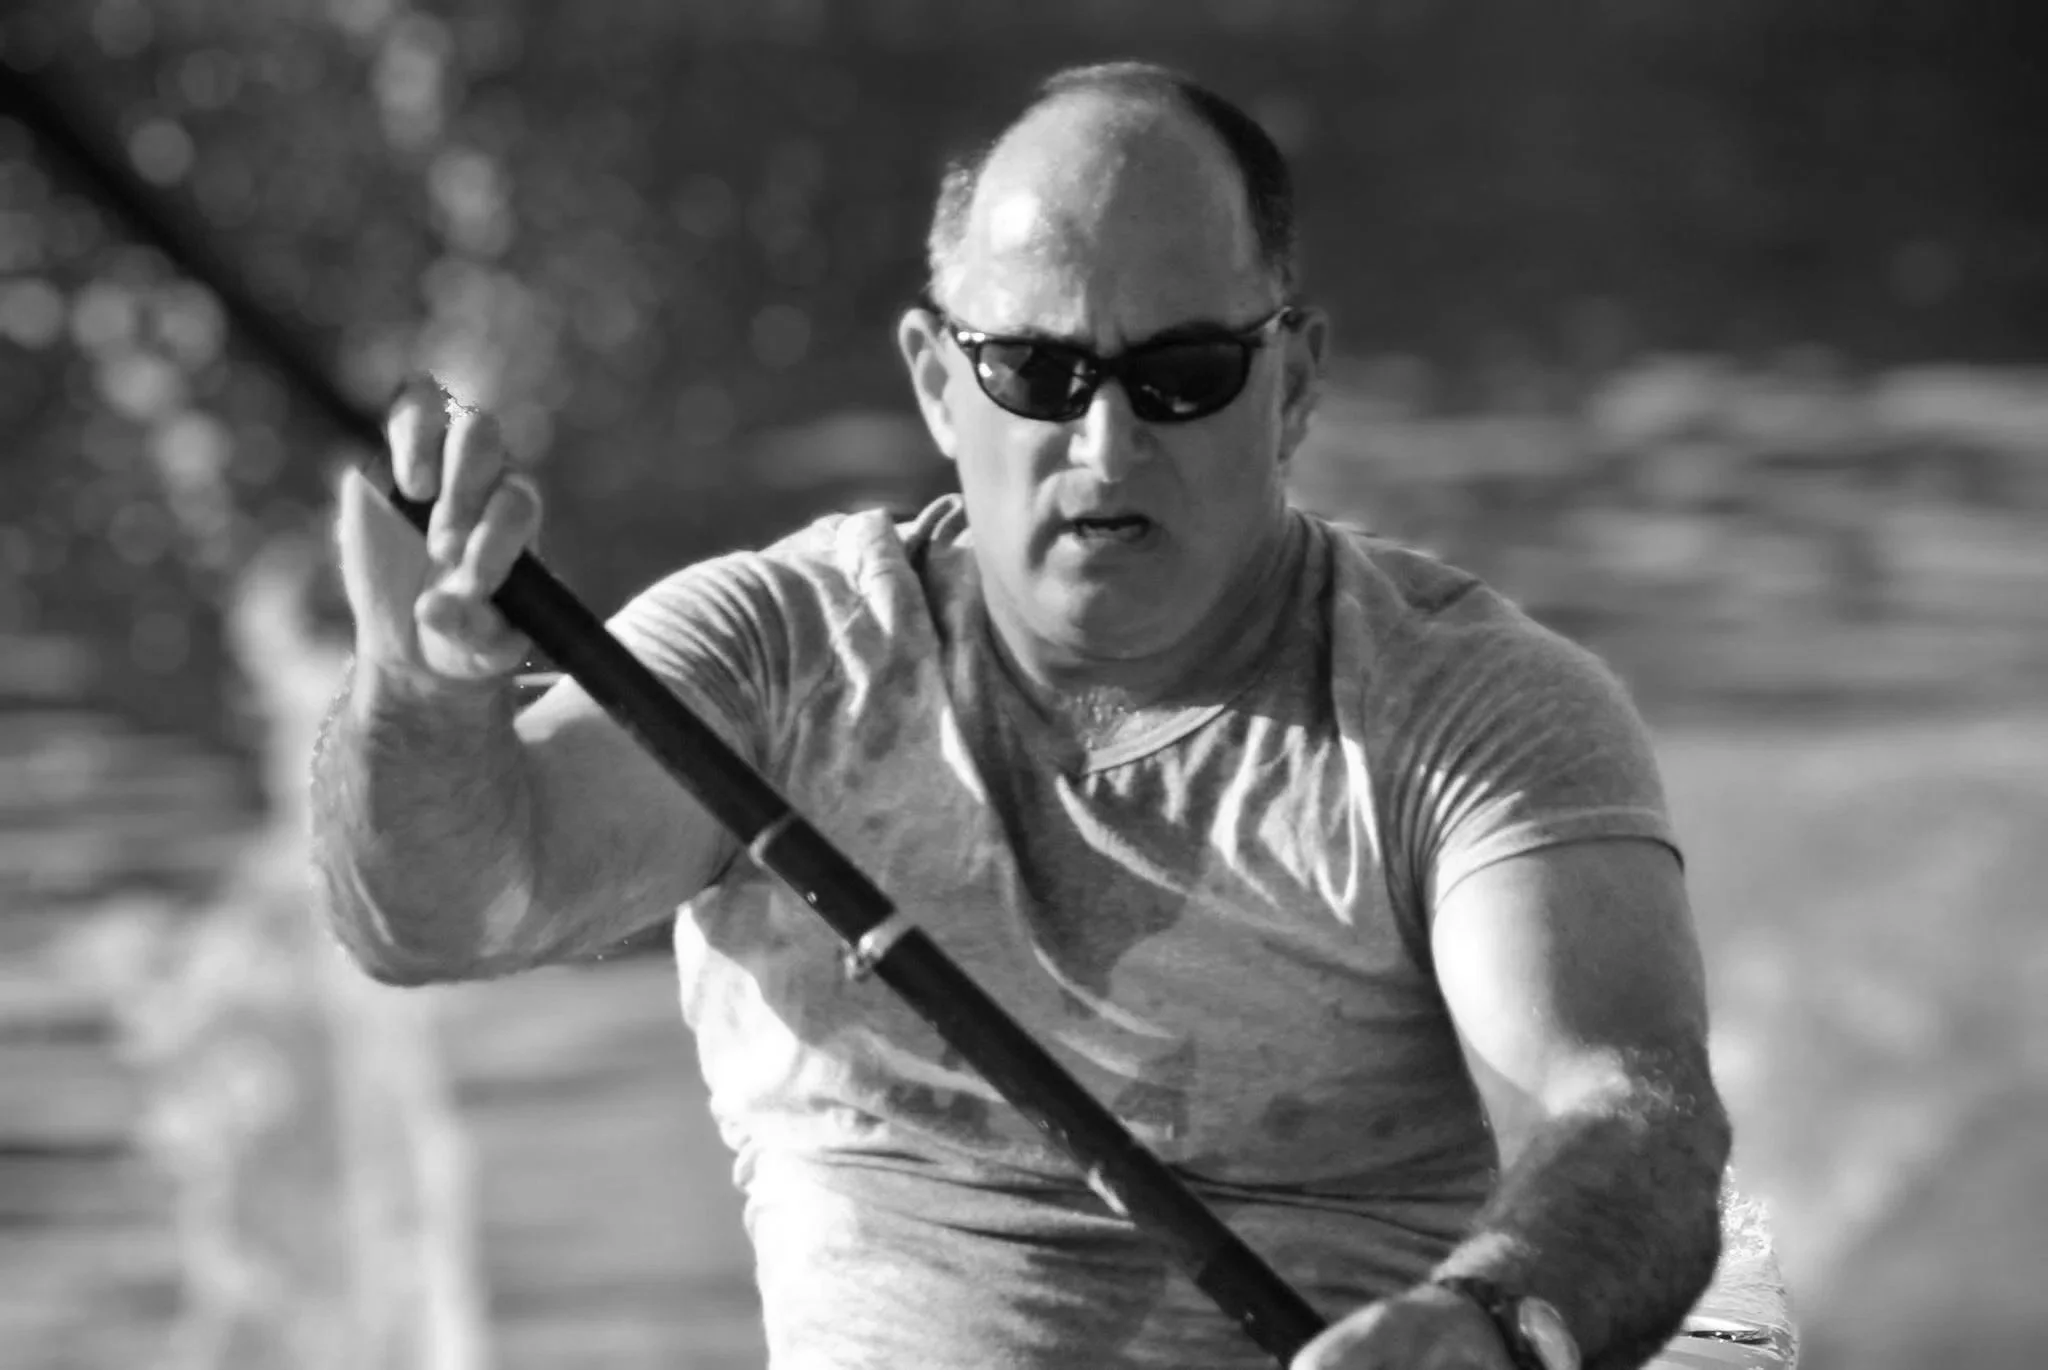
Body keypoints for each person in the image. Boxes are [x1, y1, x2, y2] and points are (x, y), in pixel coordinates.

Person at [314, 61, 1781, 1370]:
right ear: (937, 381)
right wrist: (415, 691)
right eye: (1037, 372)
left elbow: (1631, 1112)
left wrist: (1491, 1322)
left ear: (1297, 385)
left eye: (1183, 376)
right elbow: (440, 912)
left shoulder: (1475, 711)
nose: (1106, 441)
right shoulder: (776, 652)